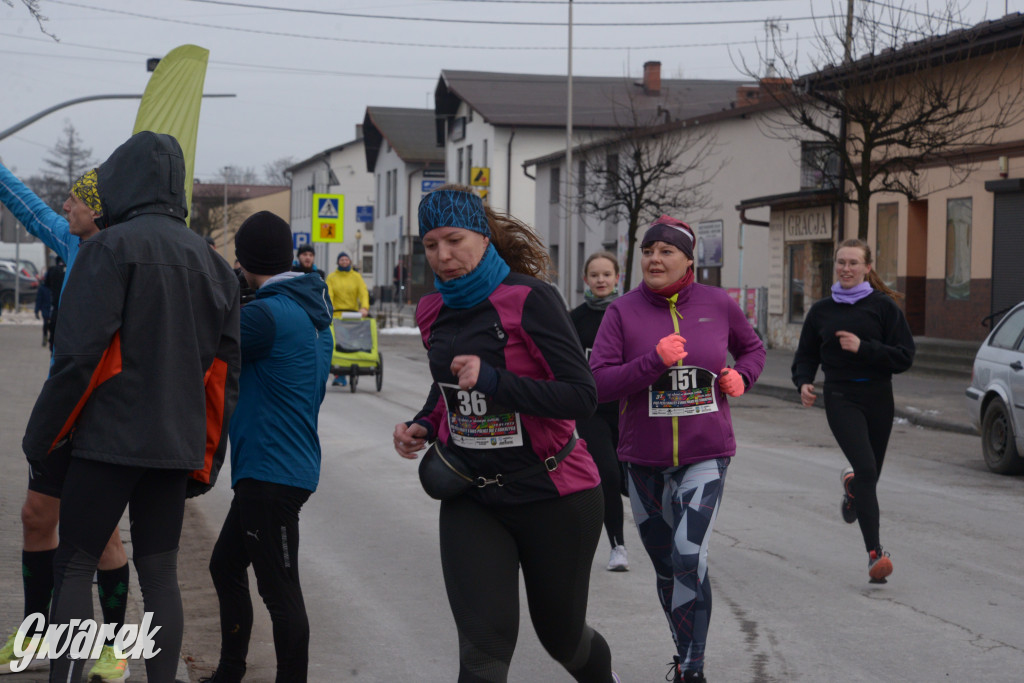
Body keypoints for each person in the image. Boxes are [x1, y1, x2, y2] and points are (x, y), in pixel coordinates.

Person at [21, 131, 241, 683]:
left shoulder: (107, 249)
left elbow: (77, 358)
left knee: (73, 563)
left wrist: (41, 437)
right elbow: (222, 377)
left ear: (124, 181)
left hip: (107, 438)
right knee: (161, 573)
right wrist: (205, 459)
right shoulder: (215, 266)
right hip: (174, 442)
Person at [392, 186, 620, 683]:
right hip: (473, 495)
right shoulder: (431, 309)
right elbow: (446, 387)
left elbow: (582, 396)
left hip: (555, 494)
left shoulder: (529, 299)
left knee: (562, 638)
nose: (443, 256)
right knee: (482, 651)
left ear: (482, 236)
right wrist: (424, 423)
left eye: (454, 240)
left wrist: (496, 381)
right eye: (430, 245)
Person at [589, 215, 765, 683]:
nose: (654, 259)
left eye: (667, 251)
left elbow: (753, 350)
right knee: (668, 568)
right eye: (649, 251)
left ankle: (694, 669)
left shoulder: (718, 304)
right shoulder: (621, 312)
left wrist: (740, 377)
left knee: (690, 556)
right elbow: (599, 383)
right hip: (642, 460)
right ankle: (685, 654)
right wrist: (653, 362)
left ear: (689, 260)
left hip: (705, 452)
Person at [0, 162, 133, 681]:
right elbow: (28, 205)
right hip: (62, 408)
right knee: (37, 517)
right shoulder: (70, 240)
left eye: (74, 201)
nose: (64, 209)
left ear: (96, 206)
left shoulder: (128, 250)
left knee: (103, 538)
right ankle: (35, 633)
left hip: (106, 411)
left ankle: (116, 646)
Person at [202, 211, 332, 683]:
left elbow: (204, 342)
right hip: (284, 465)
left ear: (245, 259)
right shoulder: (314, 312)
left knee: (280, 592)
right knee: (225, 566)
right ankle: (230, 670)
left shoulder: (265, 316)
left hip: (271, 473)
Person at [791, 238, 915, 584]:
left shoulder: (884, 308)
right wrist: (803, 381)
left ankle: (853, 489)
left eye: (853, 263)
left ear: (867, 268)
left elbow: (905, 356)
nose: (846, 269)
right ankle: (875, 555)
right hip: (841, 396)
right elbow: (806, 355)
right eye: (841, 262)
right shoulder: (821, 311)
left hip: (878, 396)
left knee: (869, 475)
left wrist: (865, 348)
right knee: (865, 466)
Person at [570, 251, 629, 572]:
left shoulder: (629, 314)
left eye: (607, 274)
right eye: (595, 275)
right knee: (607, 474)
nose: (601, 280)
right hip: (591, 409)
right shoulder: (575, 319)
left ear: (617, 277)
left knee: (629, 478)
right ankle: (617, 546)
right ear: (586, 280)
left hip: (627, 407)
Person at [325, 251, 369, 386]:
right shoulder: (332, 277)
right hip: (337, 317)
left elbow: (363, 292)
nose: (344, 262)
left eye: (346, 260)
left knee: (353, 342)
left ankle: (350, 367)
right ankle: (340, 375)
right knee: (339, 343)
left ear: (350, 262)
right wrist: (329, 306)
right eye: (341, 260)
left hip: (353, 316)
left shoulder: (356, 277)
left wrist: (364, 308)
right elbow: (329, 293)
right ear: (338, 262)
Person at [34, 276, 52, 346]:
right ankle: (45, 336)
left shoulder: (53, 287)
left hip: (51, 308)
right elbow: (39, 300)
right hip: (45, 308)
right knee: (46, 323)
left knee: (52, 324)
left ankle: (51, 337)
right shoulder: (42, 288)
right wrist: (36, 311)